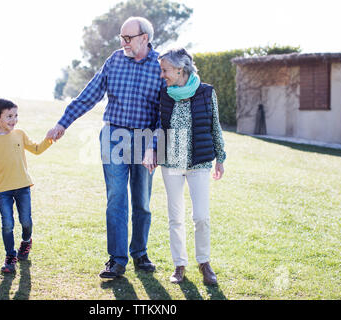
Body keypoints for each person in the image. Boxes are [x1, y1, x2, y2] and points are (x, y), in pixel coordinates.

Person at [47, 17, 163, 279]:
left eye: (128, 38)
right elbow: (89, 95)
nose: (123, 42)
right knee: (116, 199)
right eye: (121, 38)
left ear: (144, 38)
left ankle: (140, 252)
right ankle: (117, 259)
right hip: (113, 135)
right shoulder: (114, 60)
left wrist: (154, 147)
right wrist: (62, 123)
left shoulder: (160, 66)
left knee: (142, 201)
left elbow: (163, 115)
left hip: (146, 139)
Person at [143, 48, 226, 285]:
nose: (162, 75)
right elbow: (156, 125)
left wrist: (220, 158)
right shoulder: (164, 93)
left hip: (199, 162)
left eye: (165, 70)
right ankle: (179, 265)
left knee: (201, 217)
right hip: (171, 163)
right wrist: (153, 150)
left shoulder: (206, 92)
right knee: (175, 217)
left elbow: (215, 125)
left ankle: (204, 262)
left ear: (180, 69)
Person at [0, 99, 53, 273]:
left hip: (23, 187)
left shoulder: (19, 134)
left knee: (26, 221)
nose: (13, 120)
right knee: (7, 224)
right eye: (9, 116)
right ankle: (10, 257)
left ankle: (26, 242)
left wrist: (49, 139)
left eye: (15, 115)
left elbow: (36, 149)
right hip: (3, 190)